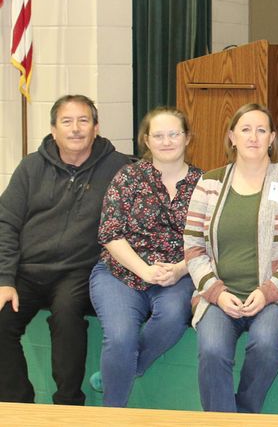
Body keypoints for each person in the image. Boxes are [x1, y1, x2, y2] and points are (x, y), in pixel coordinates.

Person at [183, 103, 278, 413]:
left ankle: (243, 416)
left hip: (277, 297)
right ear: (231, 136)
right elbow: (192, 247)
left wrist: (268, 290)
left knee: (266, 345)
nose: (253, 137)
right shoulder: (210, 183)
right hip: (220, 295)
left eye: (261, 130)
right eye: (245, 129)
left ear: (272, 137)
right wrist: (216, 292)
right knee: (213, 350)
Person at [0, 95, 130, 404]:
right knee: (2, 319)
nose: (75, 129)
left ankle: (69, 406)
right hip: (27, 273)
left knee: (67, 316)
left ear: (96, 127)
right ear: (53, 129)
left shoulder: (120, 167)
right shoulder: (31, 167)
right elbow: (6, 223)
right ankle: (17, 405)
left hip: (78, 272)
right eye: (67, 122)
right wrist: (5, 279)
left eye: (83, 121)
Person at [89, 107, 202, 407]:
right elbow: (111, 233)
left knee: (174, 317)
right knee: (120, 337)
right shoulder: (127, 177)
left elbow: (210, 241)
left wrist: (179, 270)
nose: (166, 141)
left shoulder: (205, 184)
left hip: (180, 273)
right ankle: (114, 417)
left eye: (174, 134)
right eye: (158, 135)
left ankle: (126, 368)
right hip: (121, 271)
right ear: (146, 141)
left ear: (187, 138)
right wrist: (144, 270)